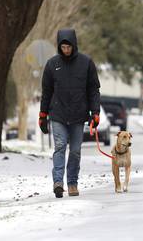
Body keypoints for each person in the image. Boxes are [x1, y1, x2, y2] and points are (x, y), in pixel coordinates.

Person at [39, 29, 101, 198]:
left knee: (75, 151)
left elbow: (93, 90)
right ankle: (58, 182)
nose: (66, 50)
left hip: (78, 115)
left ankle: (72, 182)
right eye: (63, 47)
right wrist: (43, 114)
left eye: (69, 47)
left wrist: (95, 112)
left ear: (74, 45)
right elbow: (46, 92)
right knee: (59, 146)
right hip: (58, 114)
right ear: (59, 47)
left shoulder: (86, 63)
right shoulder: (52, 65)